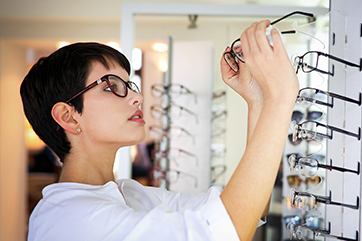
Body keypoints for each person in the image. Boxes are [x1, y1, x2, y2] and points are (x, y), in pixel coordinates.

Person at [21, 20, 298, 241]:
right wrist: (280, 98)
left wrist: (257, 101)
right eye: (111, 86)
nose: (136, 97)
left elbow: (249, 210)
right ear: (68, 116)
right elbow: (225, 231)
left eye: (130, 85)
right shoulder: (69, 218)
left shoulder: (132, 194)